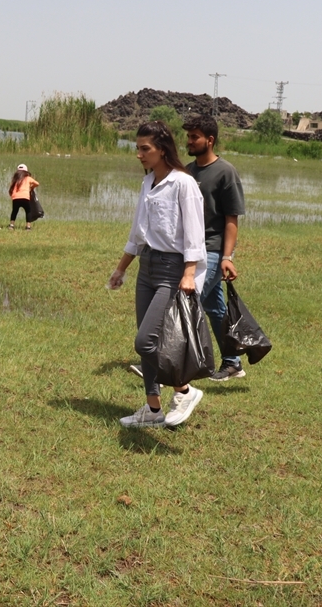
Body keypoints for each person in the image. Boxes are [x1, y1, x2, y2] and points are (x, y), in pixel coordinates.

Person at [107, 121, 207, 429]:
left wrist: (189, 274)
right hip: (147, 267)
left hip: (172, 270)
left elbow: (194, 234)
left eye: (145, 148)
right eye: (137, 148)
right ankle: (152, 410)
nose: (139, 154)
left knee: (145, 342)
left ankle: (185, 390)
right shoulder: (148, 182)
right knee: (146, 336)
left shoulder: (183, 184)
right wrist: (121, 268)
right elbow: (139, 232)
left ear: (162, 149)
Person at [183, 114, 247, 381]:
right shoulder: (187, 171)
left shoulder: (225, 172)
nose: (189, 141)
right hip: (190, 249)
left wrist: (227, 256)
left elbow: (231, 219)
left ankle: (175, 361)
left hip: (210, 250)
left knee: (187, 302)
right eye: (188, 136)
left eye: (194, 137)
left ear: (209, 140)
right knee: (214, 307)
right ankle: (232, 362)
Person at [7, 164, 39, 230]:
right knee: (28, 211)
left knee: (14, 211)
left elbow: (11, 188)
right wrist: (31, 187)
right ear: (26, 171)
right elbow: (37, 183)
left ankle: (11, 225)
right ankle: (28, 227)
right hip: (25, 197)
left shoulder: (15, 179)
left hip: (16, 197)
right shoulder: (28, 178)